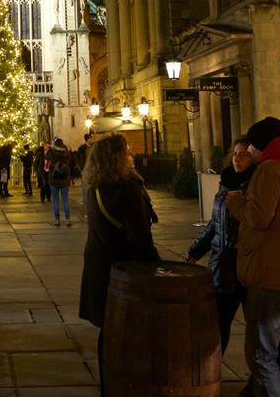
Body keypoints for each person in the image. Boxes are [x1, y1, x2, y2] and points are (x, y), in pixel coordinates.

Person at [227, 116, 280, 397]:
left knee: (263, 356)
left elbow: (257, 217)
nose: (248, 151)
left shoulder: (269, 171)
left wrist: (236, 202)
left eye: (251, 146)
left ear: (260, 145)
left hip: (272, 276)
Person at [79, 134, 160, 397]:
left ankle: (109, 386)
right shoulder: (126, 187)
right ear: (116, 156)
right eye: (126, 150)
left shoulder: (95, 184)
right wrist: (154, 267)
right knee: (129, 332)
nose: (131, 153)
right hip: (124, 269)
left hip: (100, 266)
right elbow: (139, 235)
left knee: (110, 328)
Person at [186, 139, 256, 354]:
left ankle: (259, 381)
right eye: (235, 153)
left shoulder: (256, 184)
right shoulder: (226, 182)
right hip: (223, 265)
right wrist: (194, 251)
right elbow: (215, 224)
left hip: (247, 263)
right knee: (217, 324)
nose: (237, 158)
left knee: (256, 326)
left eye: (243, 154)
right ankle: (211, 374)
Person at [48, 137, 74, 226]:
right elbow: (70, 165)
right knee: (65, 200)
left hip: (54, 180)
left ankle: (57, 220)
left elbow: (47, 166)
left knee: (55, 200)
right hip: (64, 180)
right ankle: (67, 219)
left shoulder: (51, 153)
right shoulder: (67, 153)